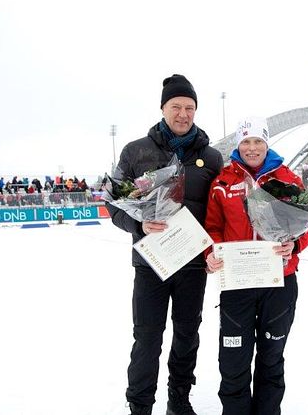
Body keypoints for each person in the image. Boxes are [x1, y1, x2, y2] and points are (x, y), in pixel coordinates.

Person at [104, 74, 222, 415]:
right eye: (176, 106)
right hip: (151, 263)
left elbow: (220, 209)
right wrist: (138, 224)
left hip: (192, 264)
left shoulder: (212, 158)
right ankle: (139, 406)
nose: (183, 114)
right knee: (147, 338)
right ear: (163, 108)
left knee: (187, 335)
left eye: (189, 107)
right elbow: (113, 204)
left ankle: (179, 401)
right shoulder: (135, 151)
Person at [204, 116, 308, 415]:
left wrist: (294, 245)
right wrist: (211, 253)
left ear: (267, 143)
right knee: (233, 358)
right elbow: (213, 227)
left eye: (257, 141)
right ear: (238, 145)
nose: (252, 147)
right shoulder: (223, 181)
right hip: (238, 282)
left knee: (271, 356)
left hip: (279, 282)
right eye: (246, 141)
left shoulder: (288, 179)